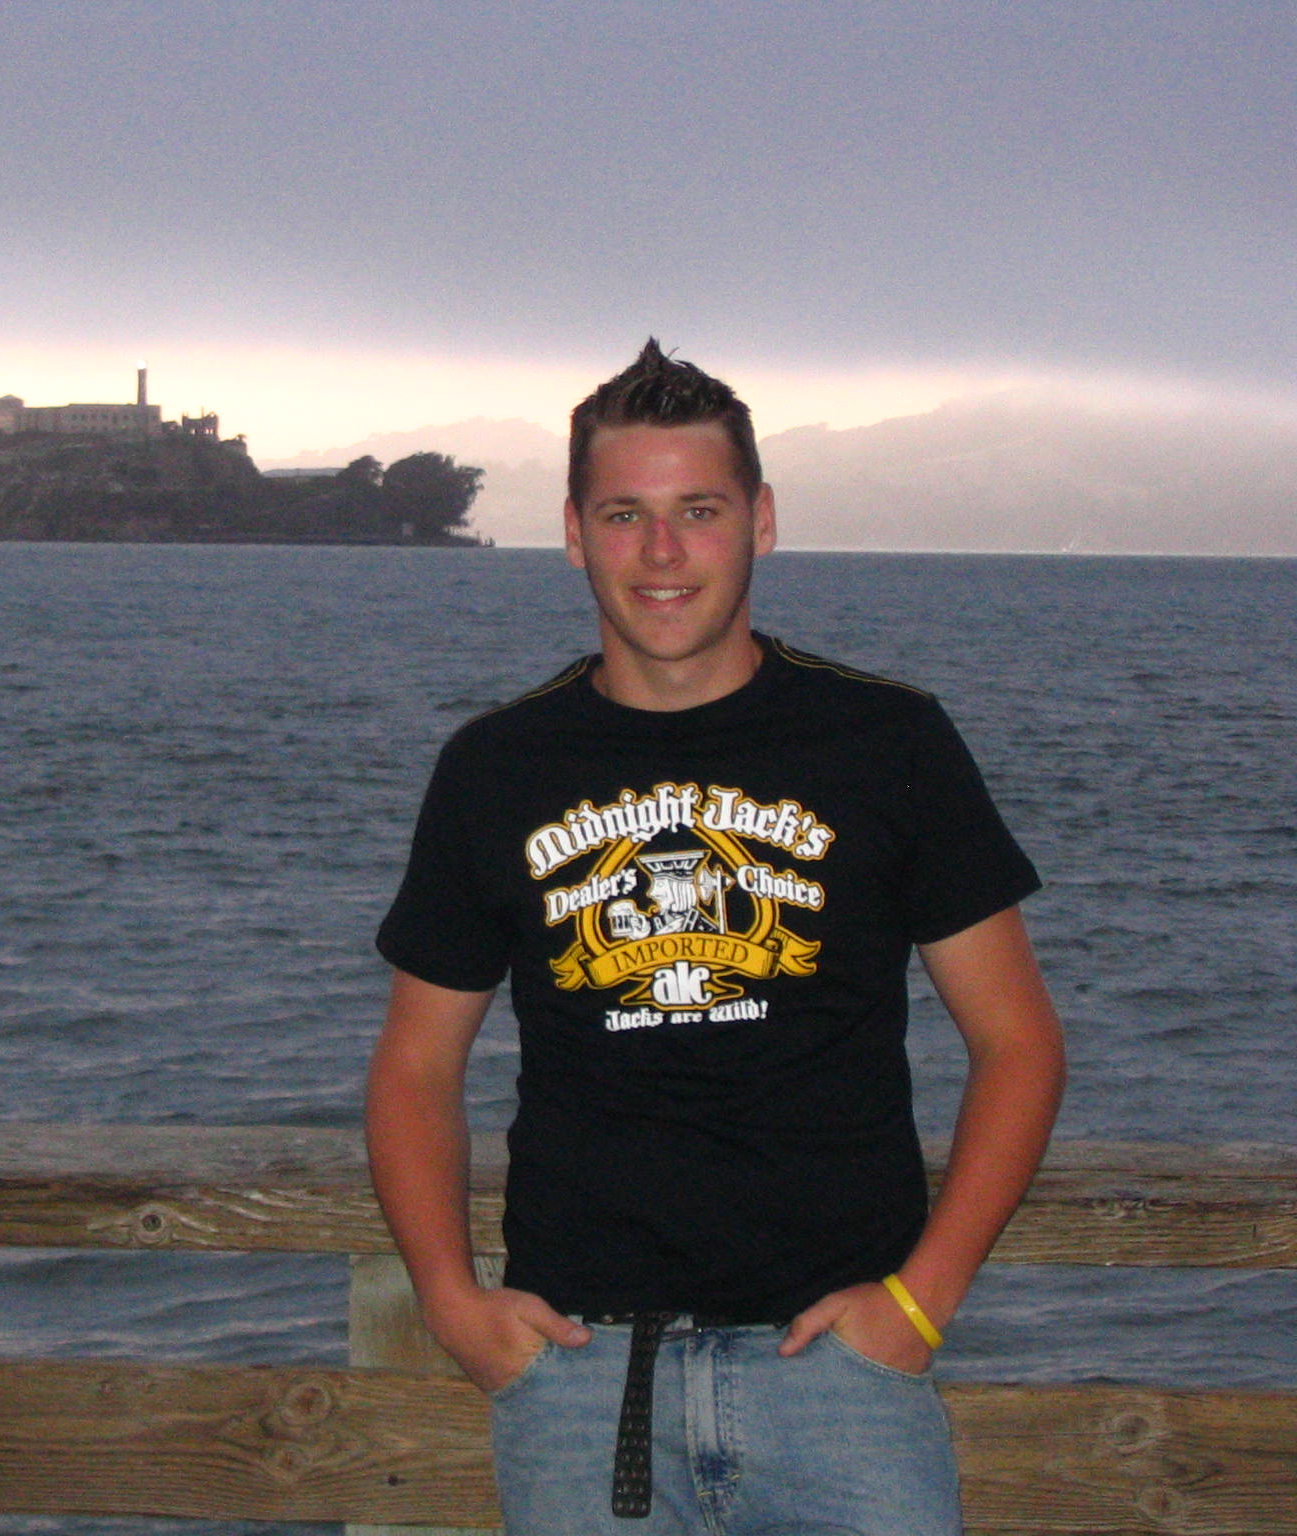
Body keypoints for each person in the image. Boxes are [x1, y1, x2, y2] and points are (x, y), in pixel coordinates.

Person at [366, 339, 1065, 1536]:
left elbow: (1018, 1044)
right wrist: (447, 1299)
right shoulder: (495, 768)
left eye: (698, 511)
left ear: (761, 521)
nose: (661, 552)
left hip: (839, 1375)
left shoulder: (885, 744)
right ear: (574, 533)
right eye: (623, 515)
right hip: (579, 1376)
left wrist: (919, 1302)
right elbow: (414, 1067)